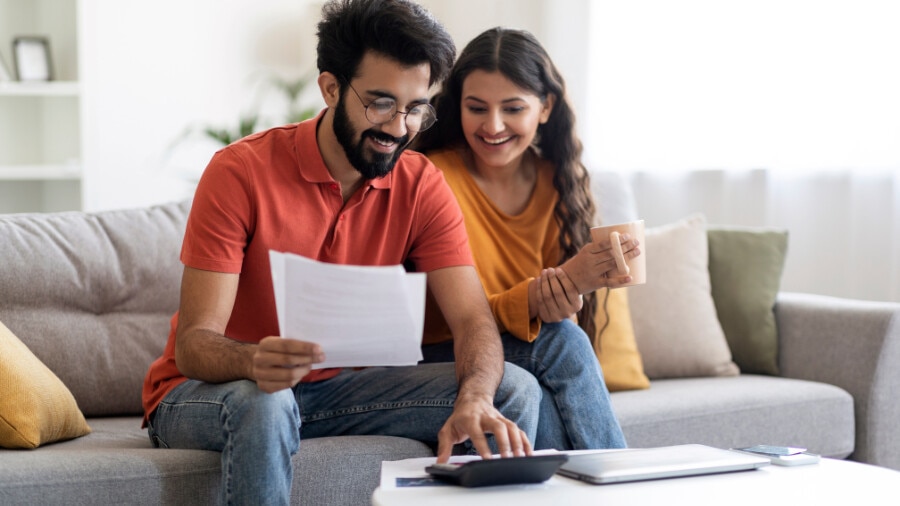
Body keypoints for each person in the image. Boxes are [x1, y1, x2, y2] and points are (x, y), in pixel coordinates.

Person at [141, 3, 541, 505]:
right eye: (380, 104)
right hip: (209, 391)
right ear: (330, 89)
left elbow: (472, 320)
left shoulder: (421, 184)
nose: (399, 127)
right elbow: (195, 345)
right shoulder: (239, 172)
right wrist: (253, 358)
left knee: (511, 391)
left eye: (415, 108)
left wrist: (476, 397)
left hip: (333, 394)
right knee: (267, 401)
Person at [413, 27, 640, 451]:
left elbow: (550, 325)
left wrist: (561, 301)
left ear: (546, 106)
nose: (493, 125)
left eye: (513, 108)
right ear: (455, 106)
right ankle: (621, 482)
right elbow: (450, 319)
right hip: (446, 350)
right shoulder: (433, 177)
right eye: (476, 108)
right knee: (562, 342)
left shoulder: (559, 183)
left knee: (549, 380)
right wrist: (536, 302)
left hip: (525, 352)